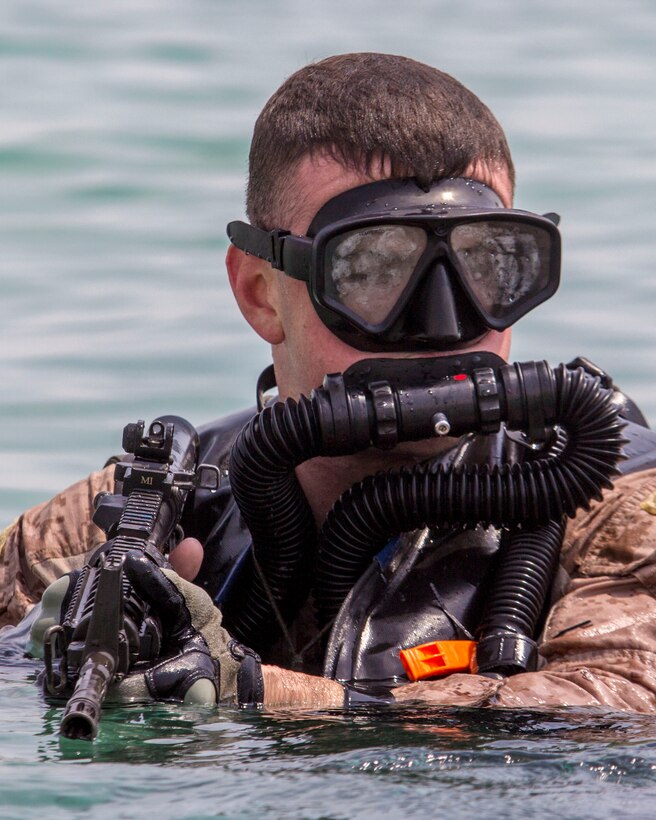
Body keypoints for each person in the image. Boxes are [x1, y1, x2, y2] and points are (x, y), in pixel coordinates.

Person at [3, 52, 656, 713]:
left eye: (486, 264)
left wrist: (251, 692)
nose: (442, 323)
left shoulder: (613, 509)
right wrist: (35, 654)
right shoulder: (136, 514)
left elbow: (622, 707)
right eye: (371, 270)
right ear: (261, 293)